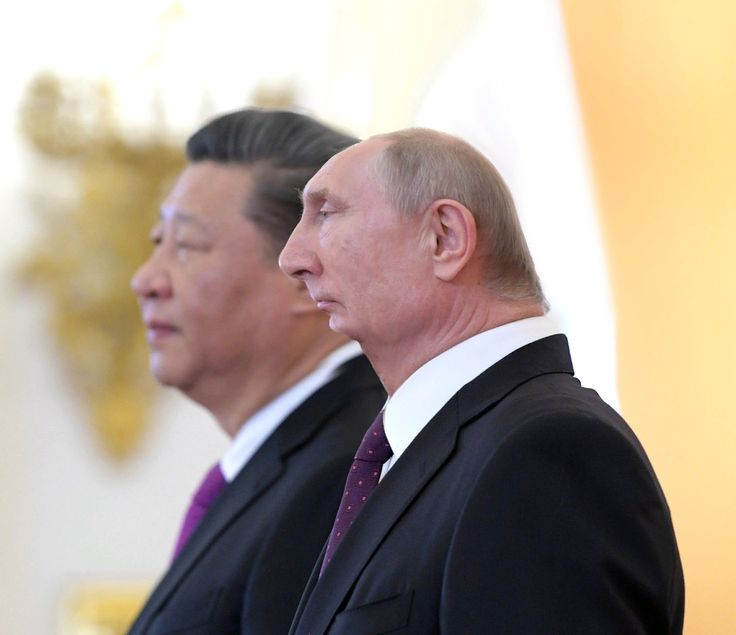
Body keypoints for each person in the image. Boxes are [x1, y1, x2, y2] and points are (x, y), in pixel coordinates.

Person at [279, 128, 685, 634]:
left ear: (444, 237)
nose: (291, 259)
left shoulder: (548, 452)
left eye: (326, 213)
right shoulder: (449, 447)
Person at [127, 109, 385, 635]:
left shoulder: (347, 472)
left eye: (186, 246)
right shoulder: (295, 458)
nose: (146, 280)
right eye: (158, 242)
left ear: (306, 276)